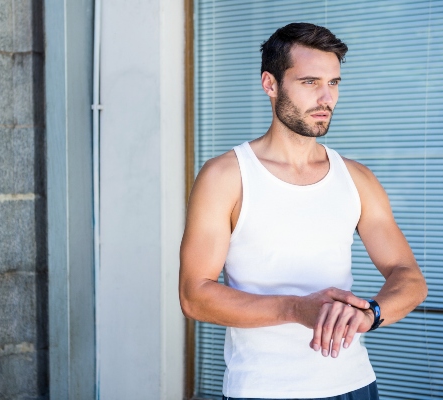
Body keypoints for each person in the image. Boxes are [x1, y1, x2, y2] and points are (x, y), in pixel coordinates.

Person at [179, 23, 428, 400]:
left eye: (334, 83)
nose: (326, 98)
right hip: (262, 390)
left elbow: (409, 277)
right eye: (310, 82)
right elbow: (194, 295)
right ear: (270, 84)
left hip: (354, 384)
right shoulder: (226, 177)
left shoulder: (357, 178)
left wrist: (369, 314)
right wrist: (297, 309)